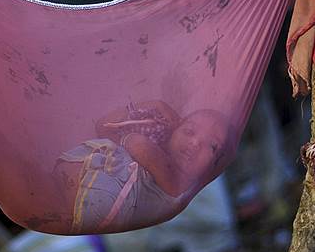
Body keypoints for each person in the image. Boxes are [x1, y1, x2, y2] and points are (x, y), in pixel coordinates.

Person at [54, 100, 234, 233]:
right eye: (188, 131)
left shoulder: (180, 185)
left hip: (90, 203)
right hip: (73, 183)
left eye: (212, 146)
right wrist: (151, 104)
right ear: (173, 131)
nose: (195, 143)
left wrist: (130, 137)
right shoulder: (152, 156)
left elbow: (142, 148)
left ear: (214, 168)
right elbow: (103, 125)